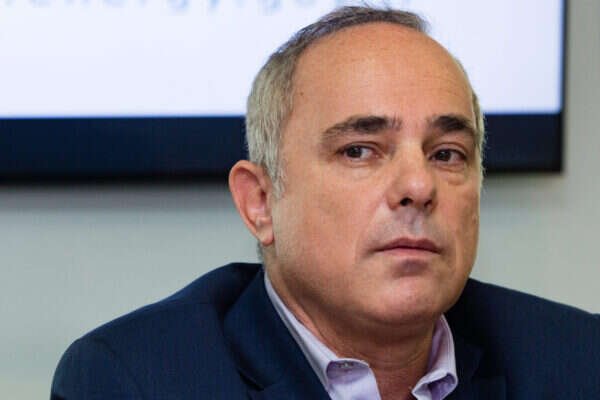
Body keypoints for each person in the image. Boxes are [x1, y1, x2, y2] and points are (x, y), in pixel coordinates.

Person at [51, 6, 599, 400]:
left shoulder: (578, 363)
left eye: (447, 154)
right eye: (360, 150)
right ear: (260, 202)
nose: (419, 185)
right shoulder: (139, 380)